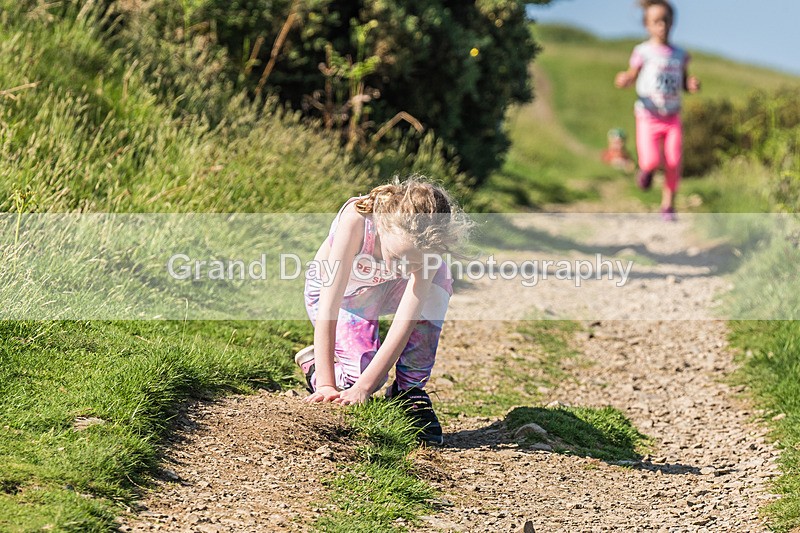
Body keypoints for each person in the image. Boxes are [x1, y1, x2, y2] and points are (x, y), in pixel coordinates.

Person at [295, 177, 471, 445]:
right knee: (356, 379)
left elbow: (406, 321)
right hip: (345, 297)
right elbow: (329, 307)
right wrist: (327, 386)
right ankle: (316, 366)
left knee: (440, 279)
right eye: (400, 258)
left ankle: (408, 391)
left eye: (414, 264)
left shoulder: (426, 250)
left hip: (386, 290)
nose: (405, 268)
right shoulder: (357, 221)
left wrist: (365, 388)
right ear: (387, 224)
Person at [615, 0, 700, 221]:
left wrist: (690, 85)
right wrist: (625, 79)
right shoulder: (642, 52)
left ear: (673, 23)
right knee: (651, 160)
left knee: (673, 162)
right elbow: (632, 74)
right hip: (648, 114)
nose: (661, 25)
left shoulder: (680, 54)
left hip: (672, 116)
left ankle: (668, 206)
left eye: (666, 20)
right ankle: (646, 171)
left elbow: (683, 82)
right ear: (647, 25)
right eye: (656, 22)